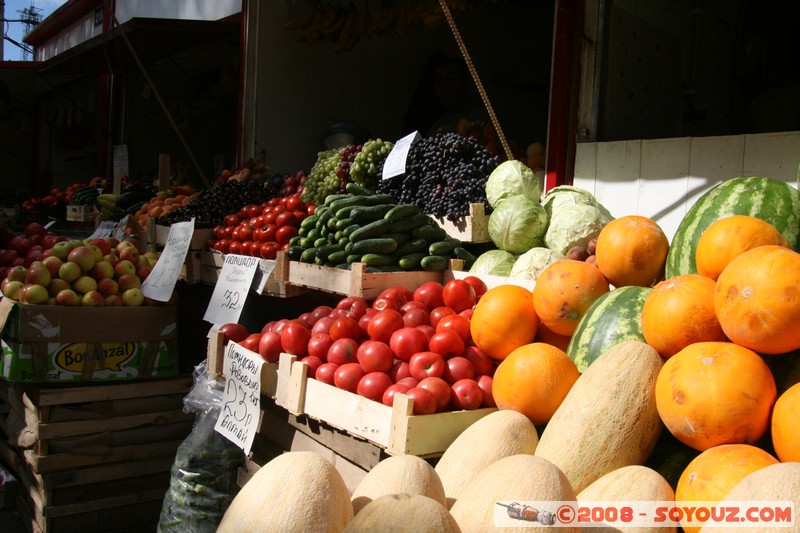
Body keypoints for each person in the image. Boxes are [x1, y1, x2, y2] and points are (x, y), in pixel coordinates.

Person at [402, 51, 488, 137]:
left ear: (465, 81)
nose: (444, 86)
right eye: (439, 81)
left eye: (451, 78)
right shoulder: (436, 129)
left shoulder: (485, 115)